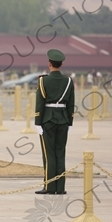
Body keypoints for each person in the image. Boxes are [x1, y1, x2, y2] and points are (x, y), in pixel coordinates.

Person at [34, 49, 75, 195]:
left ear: (49, 64)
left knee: (49, 153)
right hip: (63, 119)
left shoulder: (43, 80)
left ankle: (50, 186)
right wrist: (70, 122)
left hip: (48, 119)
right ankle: (60, 187)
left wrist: (37, 122)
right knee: (60, 153)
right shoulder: (68, 81)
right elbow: (71, 103)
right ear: (61, 64)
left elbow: (40, 103)